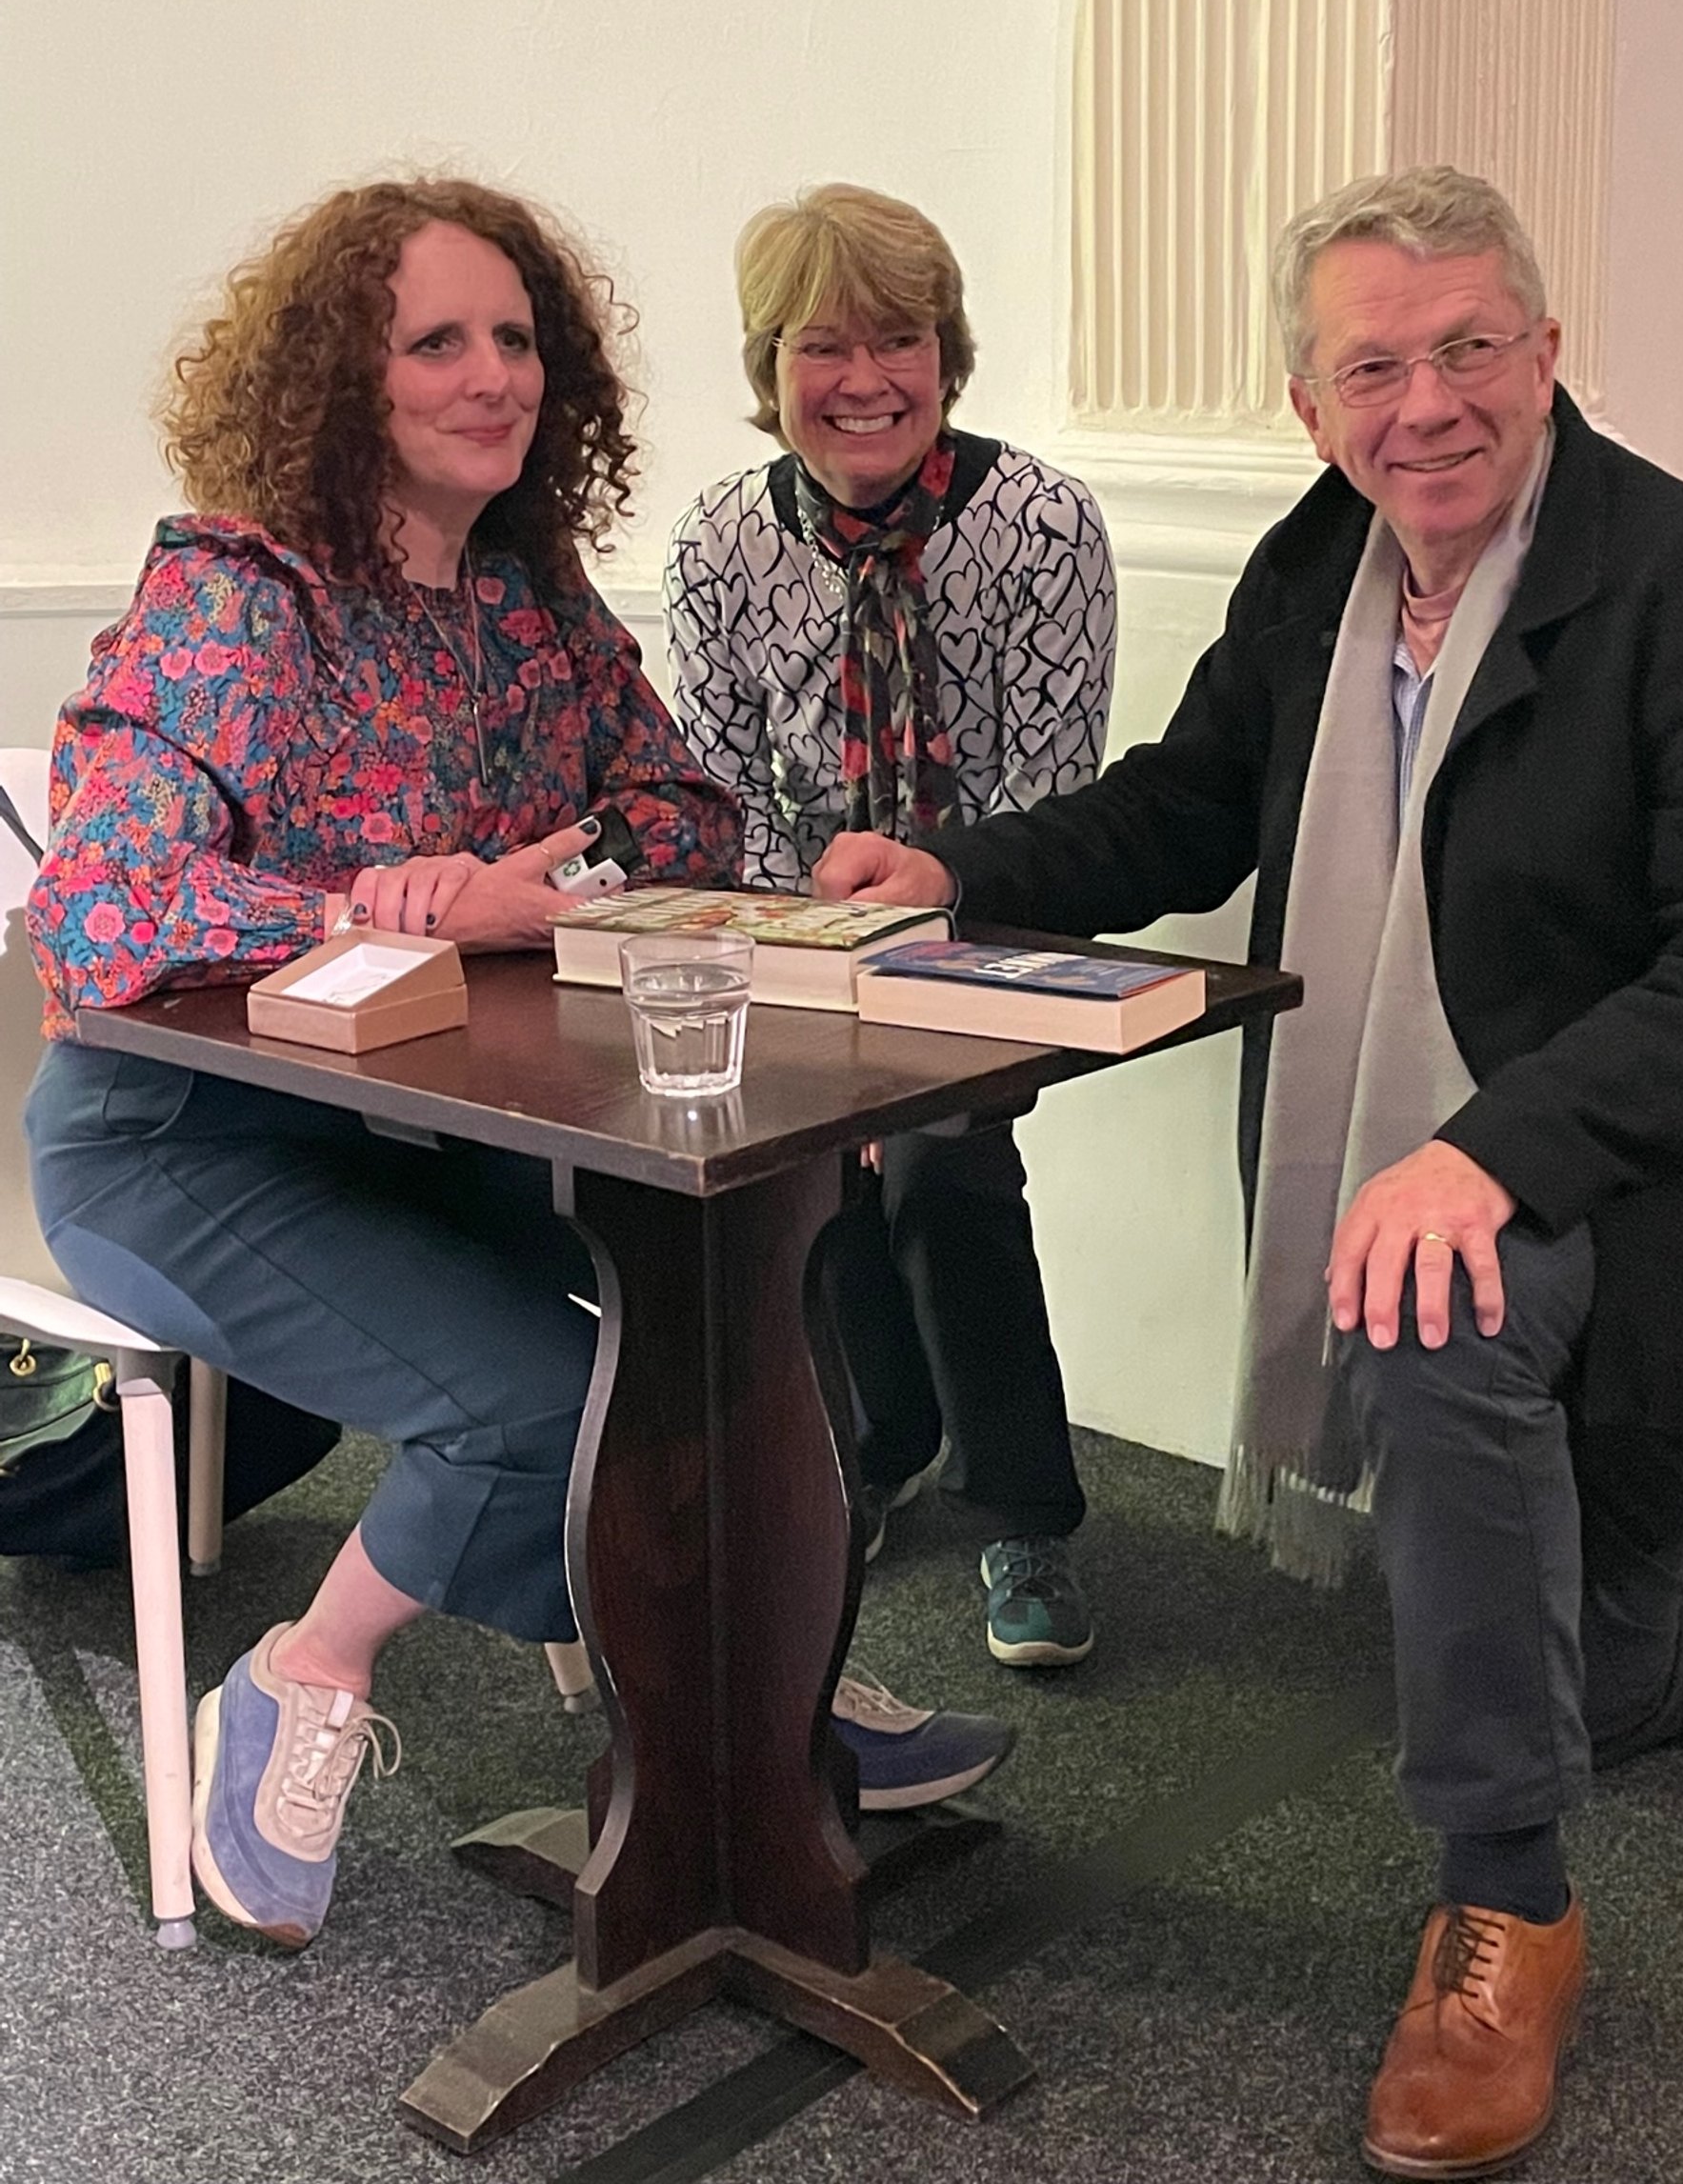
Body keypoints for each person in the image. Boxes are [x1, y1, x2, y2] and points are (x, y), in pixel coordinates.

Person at [814, 166, 1683, 2178]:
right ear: (1312, 403)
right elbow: (1189, 805)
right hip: (1518, 1156)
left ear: (1548, 352)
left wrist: (1487, 1156)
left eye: (1471, 347)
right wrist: (963, 872)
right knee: (1622, 1651)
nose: (1429, 403)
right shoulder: (1320, 566)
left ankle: (1509, 1902)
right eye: (1374, 365)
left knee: (1433, 1308)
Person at [23, 178, 1013, 1950]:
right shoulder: (238, 595)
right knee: (539, 1407)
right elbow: (102, 902)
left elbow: (679, 811)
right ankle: (299, 1681)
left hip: (424, 1120)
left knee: (753, 1304)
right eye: (437, 343)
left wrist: (536, 885)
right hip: (184, 1140)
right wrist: (374, 904)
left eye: (517, 340)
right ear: (344, 378)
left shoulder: (524, 598)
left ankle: (736, 1681)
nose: (495, 377)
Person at [664, 183, 1116, 1667]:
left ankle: (1024, 1521)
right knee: (801, 1192)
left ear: (948, 354)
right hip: (783, 943)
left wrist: (904, 987)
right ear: (767, 368)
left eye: (900, 340)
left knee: (941, 1175)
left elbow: (1055, 788)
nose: (865, 382)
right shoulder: (722, 542)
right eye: (822, 347)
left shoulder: (1043, 526)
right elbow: (716, 785)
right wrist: (803, 989)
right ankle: (875, 1446)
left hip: (981, 933)